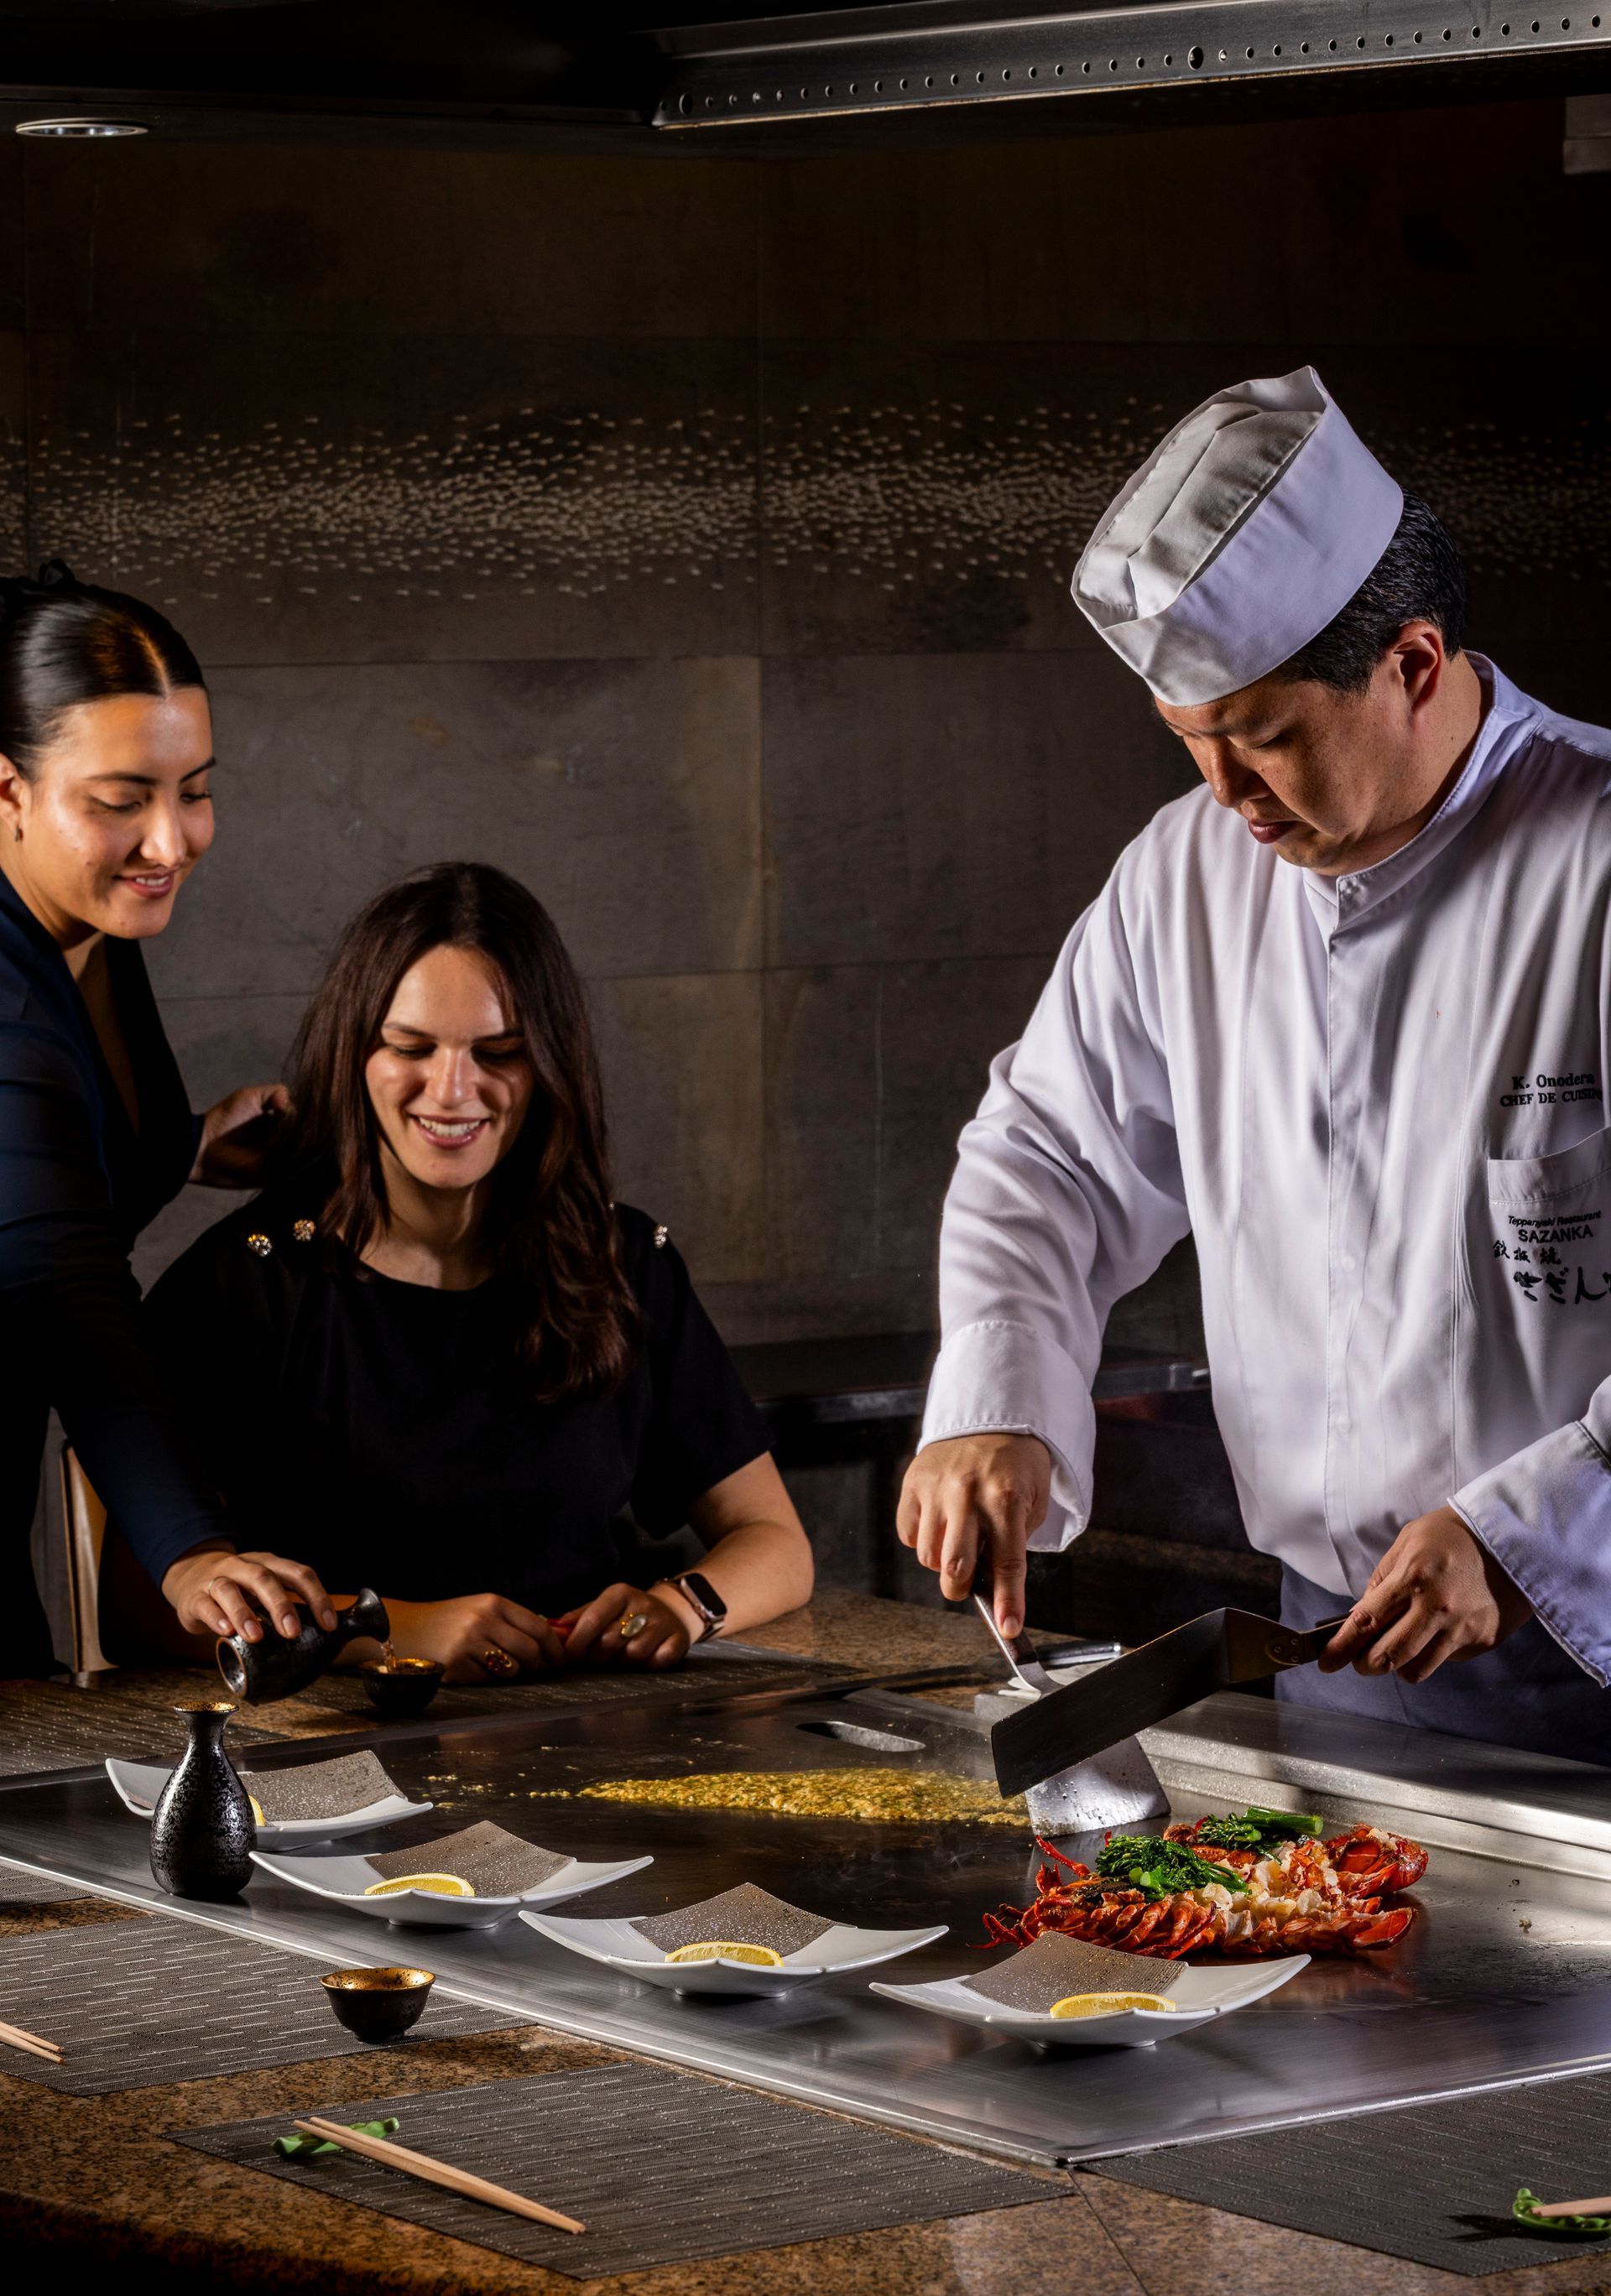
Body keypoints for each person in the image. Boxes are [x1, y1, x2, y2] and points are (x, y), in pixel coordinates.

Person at [899, 366, 1611, 1764]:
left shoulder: (1593, 861)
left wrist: (1529, 1526)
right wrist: (998, 1399)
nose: (1224, 796)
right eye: (1192, 747)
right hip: (1337, 1659)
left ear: (1412, 664)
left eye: (1264, 736)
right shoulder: (1184, 879)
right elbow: (1048, 1153)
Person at [107, 860, 814, 1683]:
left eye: (498, 1051)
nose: (452, 1090)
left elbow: (778, 1544)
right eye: (411, 1047)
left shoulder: (619, 1261)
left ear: (549, 1061)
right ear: (354, 1056)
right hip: (330, 1755)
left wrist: (683, 1605)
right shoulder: (248, 1283)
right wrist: (387, 1630)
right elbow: (136, 1610)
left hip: (595, 1736)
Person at [0, 560, 336, 1676]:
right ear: (5, 790)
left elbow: (42, 1161)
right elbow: (64, 1284)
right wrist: (193, 1552)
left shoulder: (86, 918)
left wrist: (182, 1143)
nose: (171, 839)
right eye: (120, 800)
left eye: (192, 786)